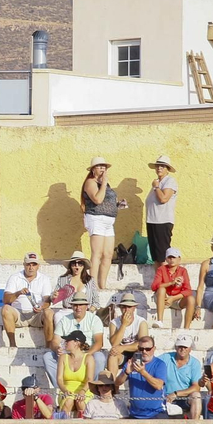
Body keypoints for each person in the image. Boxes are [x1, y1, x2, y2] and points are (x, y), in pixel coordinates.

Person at [80, 158, 125, 292]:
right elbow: (98, 199)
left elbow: (106, 201)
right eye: (99, 166)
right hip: (96, 219)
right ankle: (92, 285)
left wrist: (117, 205)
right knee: (97, 253)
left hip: (109, 220)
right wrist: (104, 183)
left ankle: (102, 284)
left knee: (108, 254)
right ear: (93, 169)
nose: (102, 169)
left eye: (104, 166)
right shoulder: (90, 182)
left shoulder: (105, 184)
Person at [46, 295, 106, 389]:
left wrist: (86, 355)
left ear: (87, 306)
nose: (78, 308)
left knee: (100, 357)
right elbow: (54, 341)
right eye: (75, 305)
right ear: (72, 306)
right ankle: (60, 388)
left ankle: (93, 387)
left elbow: (99, 343)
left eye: (81, 305)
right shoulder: (64, 320)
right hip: (68, 353)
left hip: (87, 352)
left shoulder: (94, 319)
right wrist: (57, 348)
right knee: (48, 356)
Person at [2, 252, 55, 349]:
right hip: (19, 314)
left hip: (37, 314)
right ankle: (13, 345)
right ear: (24, 265)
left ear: (38, 266)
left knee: (49, 312)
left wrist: (41, 307)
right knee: (6, 309)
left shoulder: (44, 279)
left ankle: (48, 347)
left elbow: (47, 300)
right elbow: (6, 300)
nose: (31, 267)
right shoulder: (15, 277)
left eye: (34, 264)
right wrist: (18, 293)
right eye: (28, 264)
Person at [124, 336, 168, 419]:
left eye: (148, 349)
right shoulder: (131, 363)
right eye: (141, 349)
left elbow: (158, 385)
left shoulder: (160, 364)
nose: (144, 351)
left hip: (156, 413)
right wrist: (126, 372)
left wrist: (143, 372)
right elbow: (117, 383)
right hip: (135, 414)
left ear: (154, 349)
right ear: (138, 349)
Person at [144, 154, 178, 262]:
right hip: (152, 221)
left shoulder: (169, 181)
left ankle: (166, 278)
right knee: (155, 257)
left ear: (167, 169)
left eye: (162, 166)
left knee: (163, 255)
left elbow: (163, 199)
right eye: (157, 166)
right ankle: (158, 278)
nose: (159, 168)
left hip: (162, 222)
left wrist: (156, 187)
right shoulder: (157, 182)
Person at [162, 334, 203, 419]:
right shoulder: (166, 357)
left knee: (196, 396)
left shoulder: (195, 363)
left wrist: (176, 394)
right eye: (180, 346)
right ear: (176, 347)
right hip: (165, 397)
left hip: (184, 398)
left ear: (190, 349)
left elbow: (196, 387)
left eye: (185, 347)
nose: (182, 349)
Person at [105, 294, 147, 378]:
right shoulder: (114, 323)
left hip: (136, 353)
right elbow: (114, 343)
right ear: (120, 308)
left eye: (129, 307)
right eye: (124, 307)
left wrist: (123, 347)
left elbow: (143, 345)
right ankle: (112, 385)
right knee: (112, 354)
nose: (126, 309)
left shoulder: (141, 322)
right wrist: (123, 325)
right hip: (121, 354)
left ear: (134, 308)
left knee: (138, 354)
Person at [54, 331, 94, 417]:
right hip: (66, 390)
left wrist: (82, 391)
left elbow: (90, 379)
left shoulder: (88, 358)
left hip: (84, 390)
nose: (65, 343)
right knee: (68, 401)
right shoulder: (63, 357)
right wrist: (65, 390)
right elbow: (59, 379)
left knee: (81, 403)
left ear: (76, 343)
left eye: (68, 340)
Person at [151, 248, 193, 329]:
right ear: (166, 259)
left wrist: (173, 298)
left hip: (176, 299)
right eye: (169, 257)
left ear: (179, 259)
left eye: (174, 257)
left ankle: (186, 328)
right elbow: (154, 286)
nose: (172, 260)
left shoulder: (183, 271)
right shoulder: (161, 269)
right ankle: (160, 321)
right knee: (161, 289)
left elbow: (188, 290)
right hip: (163, 299)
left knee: (191, 299)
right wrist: (171, 283)